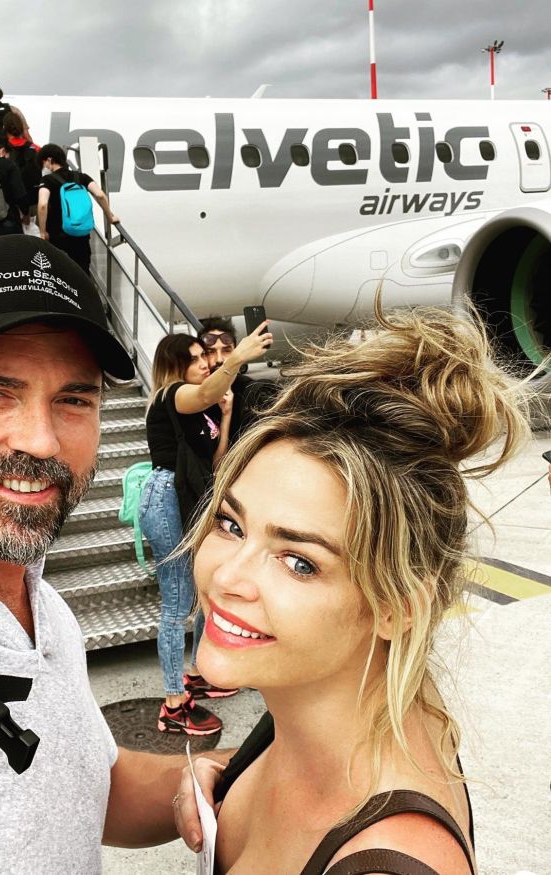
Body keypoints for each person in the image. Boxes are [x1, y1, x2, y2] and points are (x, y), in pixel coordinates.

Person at [0, 235, 227, 872]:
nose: (42, 441)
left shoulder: (35, 597)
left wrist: (227, 778)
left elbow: (83, 789)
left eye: (74, 399)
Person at [187, 305, 530, 872]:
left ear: (397, 607)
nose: (227, 578)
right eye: (231, 525)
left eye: (299, 562)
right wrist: (223, 774)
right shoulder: (329, 703)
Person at [139, 325, 273, 735]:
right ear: (176, 365)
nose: (204, 363)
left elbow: (216, 461)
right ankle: (173, 703)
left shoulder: (202, 408)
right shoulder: (173, 394)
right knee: (177, 603)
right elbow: (203, 393)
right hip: (167, 498)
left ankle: (196, 673)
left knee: (201, 591)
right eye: (196, 358)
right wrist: (239, 356)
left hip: (194, 497)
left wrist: (227, 415)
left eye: (205, 357)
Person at [37, 143, 118, 274]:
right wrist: (110, 217)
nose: (44, 167)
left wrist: (42, 232)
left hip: (59, 235)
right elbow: (100, 195)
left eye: (43, 163)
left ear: (49, 160)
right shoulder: (81, 176)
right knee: (82, 271)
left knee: (61, 273)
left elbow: (42, 205)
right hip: (81, 233)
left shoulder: (47, 180)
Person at [198, 315, 277, 445]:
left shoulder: (256, 394)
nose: (219, 359)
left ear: (236, 352)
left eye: (226, 350)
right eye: (210, 351)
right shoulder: (195, 397)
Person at [3, 111, 41, 216]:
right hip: (33, 201)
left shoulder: (1, 150)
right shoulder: (36, 149)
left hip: (10, 204)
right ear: (21, 128)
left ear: (4, 128)